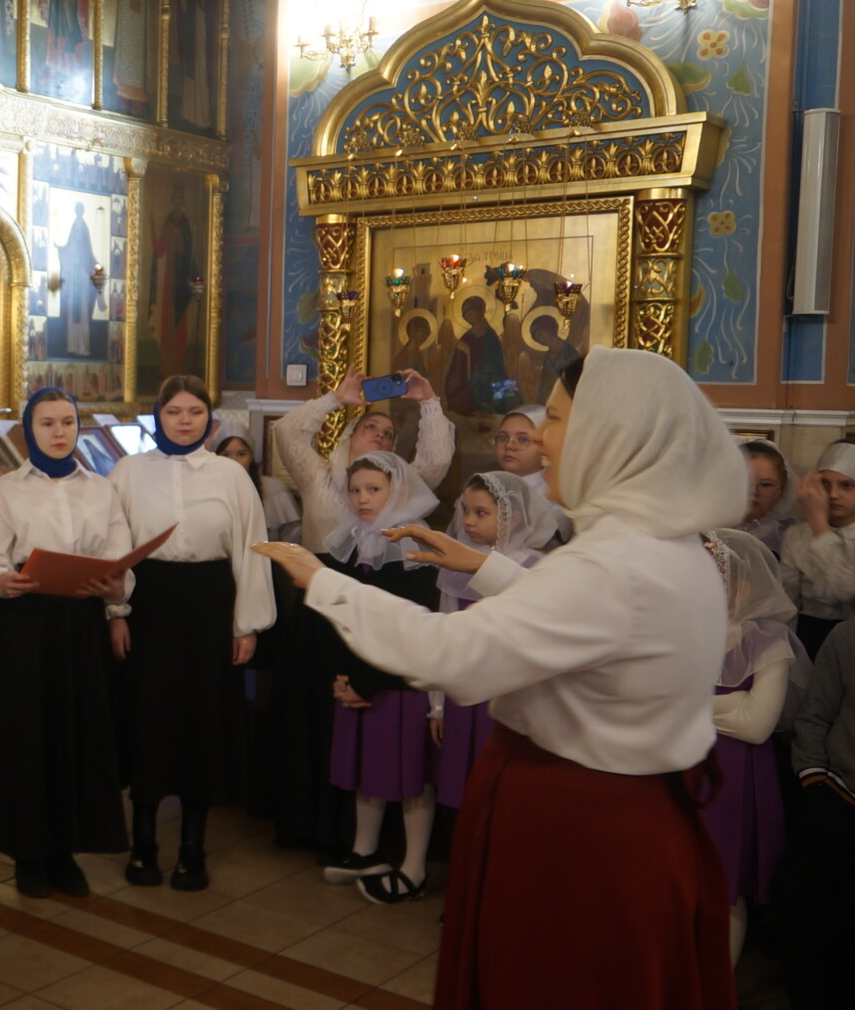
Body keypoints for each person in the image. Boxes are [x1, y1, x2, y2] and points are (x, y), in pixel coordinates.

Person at [256, 346, 743, 1010]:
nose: (542, 441)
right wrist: (484, 566)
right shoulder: (665, 543)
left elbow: (448, 653)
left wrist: (324, 582)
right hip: (636, 819)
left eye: (558, 421)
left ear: (613, 437)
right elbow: (588, 622)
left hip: (576, 835)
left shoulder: (610, 564)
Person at [108, 378, 273, 891]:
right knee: (149, 719)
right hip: (148, 603)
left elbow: (252, 548)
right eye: (174, 411)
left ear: (210, 419)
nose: (184, 420)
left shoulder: (230, 475)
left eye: (195, 411)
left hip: (209, 604)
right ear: (157, 416)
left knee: (202, 723)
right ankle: (143, 845)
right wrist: (116, 612)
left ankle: (192, 849)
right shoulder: (129, 471)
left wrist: (245, 624)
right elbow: (113, 545)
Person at [0, 388, 129, 897]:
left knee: (75, 733)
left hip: (81, 624)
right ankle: (28, 853)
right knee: (28, 737)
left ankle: (65, 851)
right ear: (28, 430)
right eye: (47, 424)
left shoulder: (101, 488)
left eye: (67, 422)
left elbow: (120, 557)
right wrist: (2, 580)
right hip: (26, 623)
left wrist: (117, 590)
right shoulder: (7, 490)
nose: (59, 433)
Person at [313, 451, 443, 904]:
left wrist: (365, 683)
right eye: (355, 490)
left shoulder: (415, 548)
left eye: (373, 489)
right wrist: (342, 676)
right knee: (367, 766)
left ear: (398, 491)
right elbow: (341, 614)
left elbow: (408, 625)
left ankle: (414, 866)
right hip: (357, 676)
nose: (362, 499)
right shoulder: (351, 540)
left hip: (397, 680)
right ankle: (364, 850)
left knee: (410, 774)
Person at [699, 529, 807, 966]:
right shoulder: (678, 633)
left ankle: (718, 986)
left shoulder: (768, 639)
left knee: (726, 884)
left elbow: (757, 726)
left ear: (740, 586)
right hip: (680, 766)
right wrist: (734, 703)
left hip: (736, 775)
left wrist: (681, 705)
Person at [427, 472, 549, 812]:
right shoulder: (455, 565)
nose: (468, 521)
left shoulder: (535, 567)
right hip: (464, 690)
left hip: (508, 692)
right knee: (465, 787)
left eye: (481, 513)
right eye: (465, 510)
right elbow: (446, 634)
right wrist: (438, 705)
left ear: (514, 517)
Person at [274, 368, 454, 554]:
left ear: (390, 449)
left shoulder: (398, 486)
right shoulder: (318, 479)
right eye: (371, 427)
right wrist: (336, 398)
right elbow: (286, 432)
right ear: (350, 436)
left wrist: (428, 401)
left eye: (388, 434)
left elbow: (437, 462)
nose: (380, 434)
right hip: (318, 571)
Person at [774, 617, 855, 1010]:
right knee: (808, 919)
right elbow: (814, 715)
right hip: (837, 799)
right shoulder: (847, 636)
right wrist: (814, 779)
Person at [779, 443, 855, 660]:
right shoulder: (796, 535)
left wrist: (819, 523)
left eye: (846, 485)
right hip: (807, 635)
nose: (833, 494)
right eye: (825, 484)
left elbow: (846, 589)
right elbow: (786, 601)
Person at [493, 406, 567, 547]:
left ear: (545, 445)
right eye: (503, 437)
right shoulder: (484, 485)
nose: (509, 445)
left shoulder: (553, 499)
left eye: (522, 439)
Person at [214, 424, 301, 543]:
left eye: (241, 454)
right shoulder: (206, 491)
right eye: (225, 455)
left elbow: (292, 541)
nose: (234, 461)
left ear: (251, 457)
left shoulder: (274, 490)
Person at [734, 439, 799, 555]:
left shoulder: (789, 535)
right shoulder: (708, 529)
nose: (754, 491)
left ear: (782, 490)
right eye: (745, 482)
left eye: (765, 484)